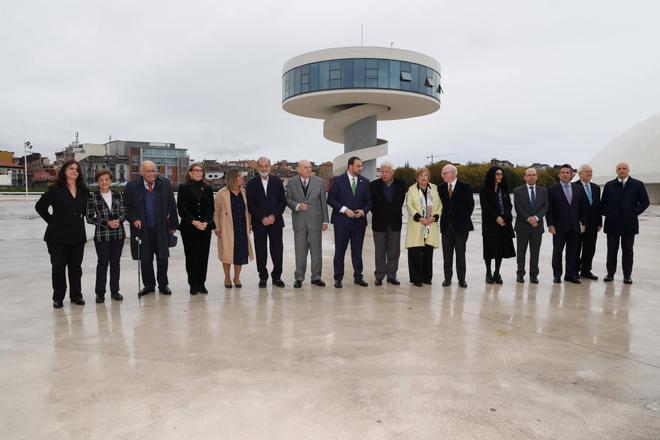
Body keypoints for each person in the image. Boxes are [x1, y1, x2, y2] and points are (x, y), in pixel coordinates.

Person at [35, 160, 89, 308]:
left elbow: (88, 211)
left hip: (77, 236)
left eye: (77, 170)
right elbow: (40, 207)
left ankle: (76, 295)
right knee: (58, 267)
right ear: (64, 170)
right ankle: (58, 297)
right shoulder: (55, 189)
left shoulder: (84, 190)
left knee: (75, 268)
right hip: (57, 237)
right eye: (71, 168)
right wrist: (52, 221)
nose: (74, 171)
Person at [124, 160, 179, 297]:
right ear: (141, 172)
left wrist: (173, 225)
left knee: (163, 257)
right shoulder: (131, 186)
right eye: (148, 171)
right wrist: (133, 219)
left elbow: (172, 204)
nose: (152, 173)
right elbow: (127, 208)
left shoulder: (165, 183)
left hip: (161, 227)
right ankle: (148, 285)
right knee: (145, 259)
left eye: (154, 170)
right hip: (142, 229)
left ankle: (163, 285)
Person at [600, 162, 650, 284]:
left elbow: (645, 202)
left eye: (624, 168)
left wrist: (633, 213)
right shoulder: (609, 185)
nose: (622, 170)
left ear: (628, 170)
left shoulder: (637, 184)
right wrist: (610, 214)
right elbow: (602, 204)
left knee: (628, 250)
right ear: (616, 171)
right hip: (612, 224)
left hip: (629, 224)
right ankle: (610, 274)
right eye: (619, 169)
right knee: (612, 250)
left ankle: (627, 275)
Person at [327, 156, 372, 288]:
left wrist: (363, 211)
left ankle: (358, 277)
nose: (361, 168)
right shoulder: (338, 180)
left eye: (361, 166)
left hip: (359, 223)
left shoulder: (365, 181)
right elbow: (330, 199)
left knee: (357, 251)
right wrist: (345, 209)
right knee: (340, 250)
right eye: (358, 166)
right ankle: (338, 278)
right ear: (350, 166)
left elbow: (369, 201)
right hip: (341, 222)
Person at [286, 160, 329, 288]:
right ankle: (299, 277)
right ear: (298, 169)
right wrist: (298, 206)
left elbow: (323, 202)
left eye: (310, 167)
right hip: (299, 220)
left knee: (316, 250)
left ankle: (316, 277)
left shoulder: (319, 182)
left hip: (316, 220)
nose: (309, 169)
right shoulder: (292, 182)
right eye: (305, 167)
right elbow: (287, 199)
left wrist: (325, 220)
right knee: (300, 250)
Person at [85, 169, 126, 303]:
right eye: (101, 180)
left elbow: (124, 213)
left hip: (118, 234)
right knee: (102, 264)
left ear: (111, 180)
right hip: (102, 236)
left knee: (116, 263)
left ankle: (115, 291)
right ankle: (100, 293)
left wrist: (119, 221)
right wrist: (106, 223)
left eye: (106, 179)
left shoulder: (118, 194)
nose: (104, 182)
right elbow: (89, 218)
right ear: (98, 182)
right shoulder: (92, 197)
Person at [246, 157, 286, 288]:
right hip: (259, 223)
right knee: (260, 251)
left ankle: (277, 277)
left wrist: (273, 215)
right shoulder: (251, 183)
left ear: (270, 166)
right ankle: (263, 277)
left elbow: (282, 201)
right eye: (261, 166)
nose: (264, 168)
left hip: (276, 222)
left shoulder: (278, 182)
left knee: (277, 250)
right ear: (257, 168)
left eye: (266, 166)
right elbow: (250, 205)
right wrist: (262, 217)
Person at [177, 163, 215, 295]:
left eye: (201, 171)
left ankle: (201, 283)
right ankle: (193, 284)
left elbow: (211, 208)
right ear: (190, 172)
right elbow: (181, 209)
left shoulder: (208, 188)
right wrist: (193, 221)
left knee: (203, 256)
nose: (199, 173)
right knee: (191, 256)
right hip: (189, 228)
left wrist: (206, 222)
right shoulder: (183, 188)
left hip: (205, 228)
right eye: (196, 170)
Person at [546, 164, 587, 284]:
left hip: (574, 227)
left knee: (572, 253)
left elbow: (582, 208)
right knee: (557, 252)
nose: (565, 174)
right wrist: (550, 225)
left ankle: (570, 275)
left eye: (567, 172)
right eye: (562, 172)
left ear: (571, 174)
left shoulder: (579, 189)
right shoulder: (552, 189)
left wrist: (584, 223)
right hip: (558, 228)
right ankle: (557, 275)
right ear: (559, 174)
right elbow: (549, 210)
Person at [214, 169, 253, 288]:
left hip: (241, 227)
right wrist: (217, 227)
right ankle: (227, 277)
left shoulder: (244, 192)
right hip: (227, 227)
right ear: (233, 178)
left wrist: (250, 225)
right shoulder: (221, 193)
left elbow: (248, 212)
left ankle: (236, 277)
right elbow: (216, 211)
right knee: (227, 253)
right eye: (240, 176)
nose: (242, 178)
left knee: (240, 254)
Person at [370, 161, 407, 286]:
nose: (384, 174)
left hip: (395, 222)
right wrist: (380, 213)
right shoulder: (373, 185)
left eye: (386, 171)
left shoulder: (401, 185)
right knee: (379, 251)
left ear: (392, 172)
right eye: (382, 171)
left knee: (394, 251)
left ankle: (392, 276)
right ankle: (379, 276)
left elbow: (400, 202)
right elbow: (371, 204)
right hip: (379, 222)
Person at [438, 164, 474, 288]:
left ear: (453, 173)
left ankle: (461, 279)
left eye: (444, 173)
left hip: (461, 227)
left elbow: (470, 206)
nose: (442, 175)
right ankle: (447, 278)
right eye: (442, 173)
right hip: (446, 227)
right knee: (447, 255)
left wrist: (461, 219)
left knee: (460, 254)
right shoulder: (441, 188)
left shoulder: (465, 187)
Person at [405, 167, 441, 287]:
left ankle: (427, 277)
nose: (423, 178)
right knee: (415, 253)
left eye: (425, 175)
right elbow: (409, 206)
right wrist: (420, 218)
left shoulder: (434, 189)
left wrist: (433, 217)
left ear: (428, 177)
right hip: (417, 224)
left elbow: (440, 206)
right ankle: (416, 279)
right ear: (417, 178)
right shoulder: (411, 190)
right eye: (421, 176)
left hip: (430, 224)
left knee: (428, 253)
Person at [479, 166, 516, 284]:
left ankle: (497, 272)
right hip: (490, 224)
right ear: (492, 175)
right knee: (489, 249)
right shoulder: (484, 189)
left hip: (503, 224)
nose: (500, 176)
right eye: (497, 174)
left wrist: (504, 217)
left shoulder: (503, 189)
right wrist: (496, 217)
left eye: (501, 174)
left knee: (500, 249)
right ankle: (488, 272)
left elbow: (509, 206)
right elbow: (485, 207)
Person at [513, 167, 548, 284]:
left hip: (537, 226)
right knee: (521, 252)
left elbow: (545, 207)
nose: (531, 177)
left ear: (537, 177)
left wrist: (536, 218)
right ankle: (520, 273)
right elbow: (518, 207)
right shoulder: (518, 191)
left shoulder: (543, 191)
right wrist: (529, 218)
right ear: (524, 177)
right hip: (522, 226)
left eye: (533, 175)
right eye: (529, 175)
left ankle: (534, 275)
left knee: (535, 252)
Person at [573, 164, 602, 280]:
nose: (589, 173)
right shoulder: (573, 186)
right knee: (576, 248)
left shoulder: (596, 187)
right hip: (579, 224)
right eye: (586, 172)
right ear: (580, 174)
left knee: (590, 248)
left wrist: (599, 222)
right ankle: (574, 270)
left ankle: (586, 270)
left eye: (591, 171)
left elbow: (598, 206)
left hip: (593, 225)